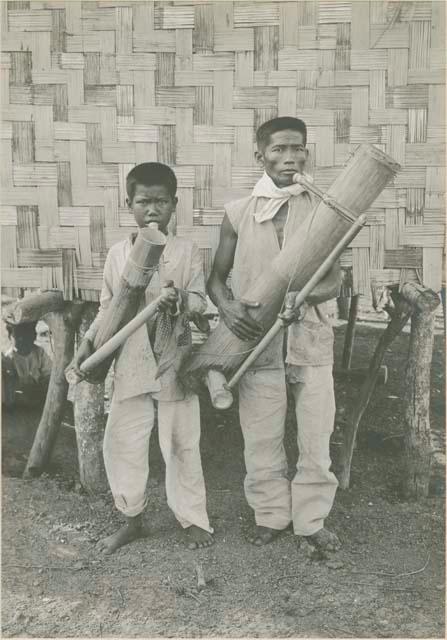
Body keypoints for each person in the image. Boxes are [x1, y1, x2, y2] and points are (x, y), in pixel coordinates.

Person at [207, 117, 341, 557]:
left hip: (310, 339)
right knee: (261, 434)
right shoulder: (239, 212)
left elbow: (334, 282)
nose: (290, 158)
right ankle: (270, 515)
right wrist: (229, 311)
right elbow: (215, 280)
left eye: (298, 148)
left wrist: (302, 297)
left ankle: (311, 520)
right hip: (257, 343)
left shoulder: (325, 209)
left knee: (315, 435)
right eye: (280, 149)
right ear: (259, 154)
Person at [72, 162, 213, 554]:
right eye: (144, 202)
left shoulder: (187, 251)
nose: (153, 210)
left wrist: (181, 298)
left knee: (182, 442)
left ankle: (192, 517)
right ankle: (132, 519)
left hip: (174, 360)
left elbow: (202, 301)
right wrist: (89, 342)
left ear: (175, 205)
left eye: (161, 202)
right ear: (128, 204)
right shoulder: (119, 254)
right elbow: (107, 308)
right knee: (124, 441)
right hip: (131, 363)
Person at [2, 321, 52, 409]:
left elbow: (48, 375)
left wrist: (43, 387)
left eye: (27, 336)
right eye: (18, 337)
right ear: (11, 337)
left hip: (38, 391)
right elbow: (10, 383)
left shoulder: (39, 353)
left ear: (34, 336)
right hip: (20, 394)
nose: (23, 340)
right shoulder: (8, 358)